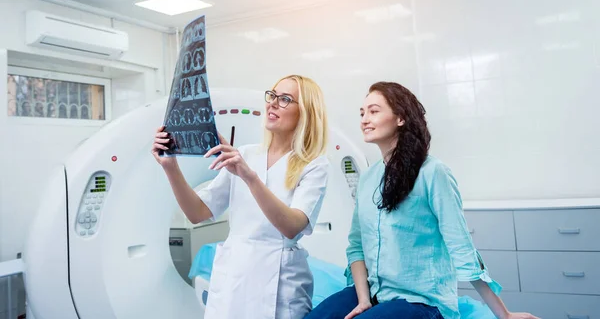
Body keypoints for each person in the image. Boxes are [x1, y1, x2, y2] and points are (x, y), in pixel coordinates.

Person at [306, 82, 539, 319]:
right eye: (362, 113)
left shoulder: (432, 173)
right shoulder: (368, 179)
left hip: (421, 301)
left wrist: (505, 314)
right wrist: (364, 299)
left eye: (374, 111)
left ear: (401, 118)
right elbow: (356, 246)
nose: (365, 119)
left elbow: (462, 249)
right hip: (374, 293)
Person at [151, 75, 330, 319]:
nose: (273, 103)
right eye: (272, 95)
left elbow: (292, 226)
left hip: (281, 281)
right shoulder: (245, 154)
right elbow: (197, 213)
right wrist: (170, 166)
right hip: (234, 276)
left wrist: (249, 177)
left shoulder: (314, 165)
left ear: (306, 112)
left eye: (286, 99)